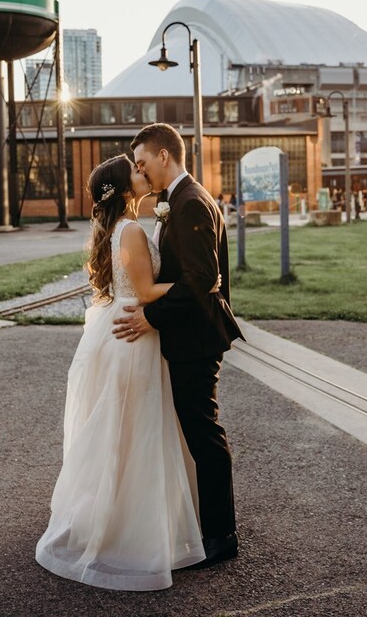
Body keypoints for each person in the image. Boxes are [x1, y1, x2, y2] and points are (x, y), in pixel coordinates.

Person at [35, 154, 206, 590]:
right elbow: (145, 290)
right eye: (135, 169)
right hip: (135, 337)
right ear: (124, 187)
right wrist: (197, 284)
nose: (141, 172)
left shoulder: (121, 227)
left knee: (124, 431)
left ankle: (123, 518)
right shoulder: (129, 230)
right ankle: (131, 531)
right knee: (138, 430)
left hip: (122, 330)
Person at [114, 123, 244, 570]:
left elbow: (201, 282)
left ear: (164, 156)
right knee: (197, 433)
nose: (141, 171)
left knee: (204, 435)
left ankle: (221, 536)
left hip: (196, 339)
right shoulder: (179, 200)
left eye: (143, 162)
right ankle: (210, 525)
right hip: (189, 336)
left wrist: (151, 317)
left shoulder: (189, 202)